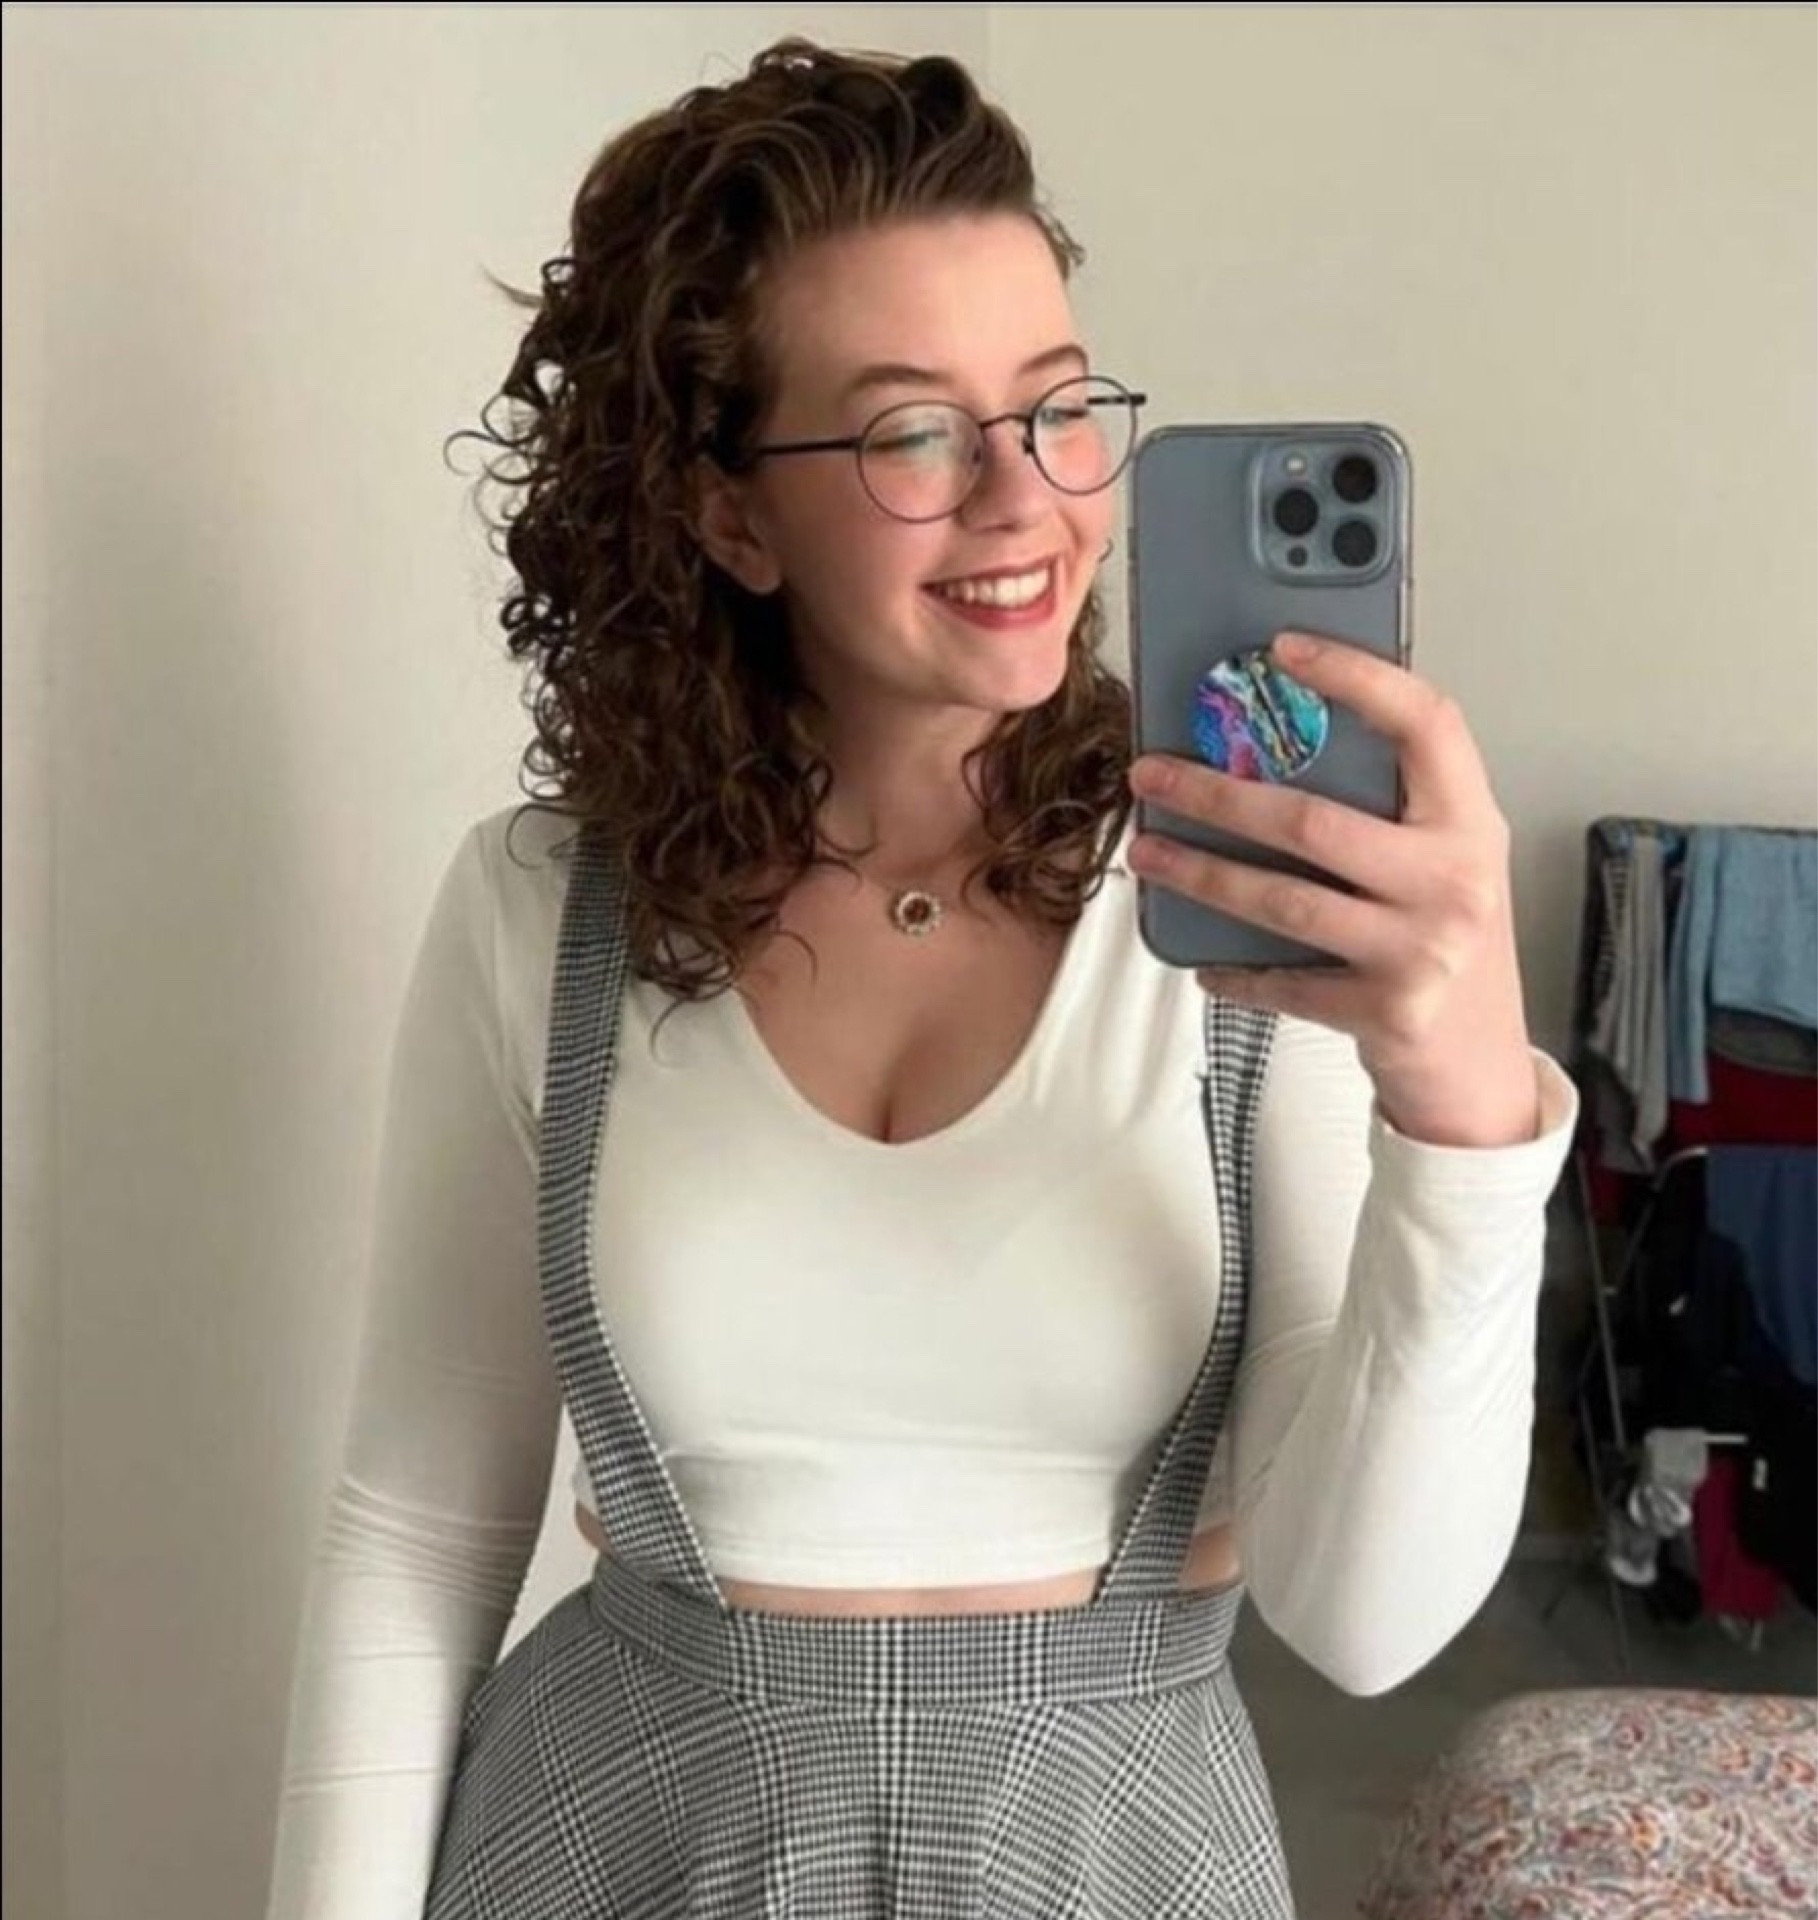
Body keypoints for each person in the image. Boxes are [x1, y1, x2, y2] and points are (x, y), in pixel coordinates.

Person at [264, 37, 1577, 1920]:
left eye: (1055, 407)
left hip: (1113, 1860)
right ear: (728, 512)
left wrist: (1463, 1125)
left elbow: (1363, 1625)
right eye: (910, 435)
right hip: (611, 1847)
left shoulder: (1243, 918)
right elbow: (413, 1531)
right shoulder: (539, 910)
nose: (1024, 500)